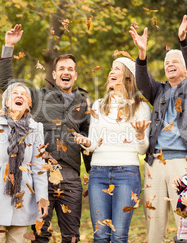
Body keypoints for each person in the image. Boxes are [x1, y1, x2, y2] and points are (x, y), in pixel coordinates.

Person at [0, 24, 90, 243]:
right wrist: (8, 46)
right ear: (55, 74)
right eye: (62, 69)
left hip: (71, 176)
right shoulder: (38, 96)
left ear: (75, 75)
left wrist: (92, 173)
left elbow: (89, 141)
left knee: (71, 236)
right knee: (40, 234)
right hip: (41, 175)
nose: (66, 72)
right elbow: (6, 85)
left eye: (70, 69)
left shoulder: (84, 103)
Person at [129, 15, 187, 243]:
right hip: (155, 163)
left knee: (186, 221)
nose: (170, 65)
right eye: (166, 63)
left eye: (175, 61)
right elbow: (143, 82)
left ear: (185, 67)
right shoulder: (159, 91)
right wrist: (142, 55)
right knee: (154, 222)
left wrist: (184, 42)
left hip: (184, 163)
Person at [73, 57, 151, 242]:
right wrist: (84, 141)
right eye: (110, 68)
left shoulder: (140, 106)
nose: (111, 72)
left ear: (128, 76)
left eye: (117, 68)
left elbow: (142, 149)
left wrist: (140, 134)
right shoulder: (99, 105)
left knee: (118, 235)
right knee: (100, 235)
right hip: (98, 173)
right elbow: (93, 144)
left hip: (127, 173)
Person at [0, 82, 49, 243]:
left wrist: (42, 198)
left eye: (24, 94)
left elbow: (39, 166)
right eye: (15, 93)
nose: (19, 95)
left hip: (22, 199)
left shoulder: (36, 128)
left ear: (29, 103)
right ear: (6, 102)